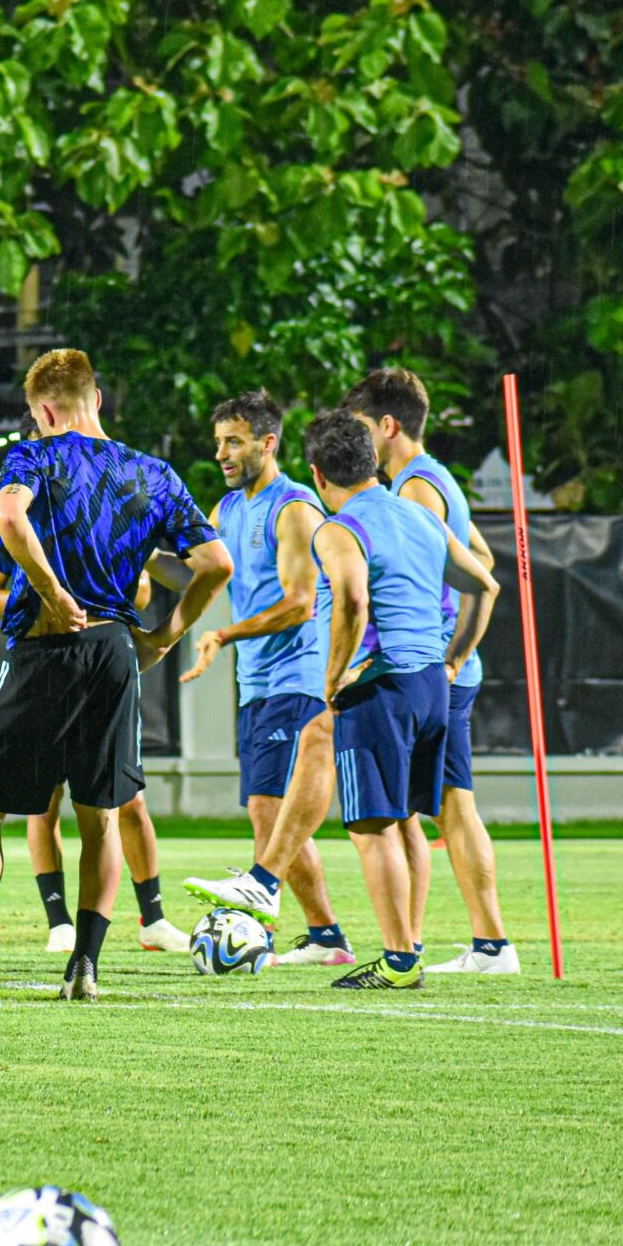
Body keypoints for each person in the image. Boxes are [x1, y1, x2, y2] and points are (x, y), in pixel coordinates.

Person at [0, 349, 230, 1002]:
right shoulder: (153, 473)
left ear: (44, 411)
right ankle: (85, 966)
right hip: (113, 650)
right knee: (99, 814)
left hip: (49, 645)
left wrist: (51, 589)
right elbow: (213, 564)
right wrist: (166, 635)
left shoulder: (35, 458)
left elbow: (10, 518)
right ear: (97, 399)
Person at [289, 411, 498, 990]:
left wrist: (334, 677)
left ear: (316, 473)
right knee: (405, 819)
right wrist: (453, 658)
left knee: (372, 828)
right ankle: (409, 947)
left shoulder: (338, 527)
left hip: (381, 689)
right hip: (434, 685)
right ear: (374, 461)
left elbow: (353, 599)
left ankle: (400, 960)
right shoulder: (420, 515)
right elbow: (486, 584)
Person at [175, 390, 354, 966]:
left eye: (235, 441)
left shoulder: (295, 506)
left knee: (265, 808)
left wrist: (224, 635)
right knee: (266, 811)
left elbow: (301, 604)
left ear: (267, 443)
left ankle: (264, 925)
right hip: (257, 681)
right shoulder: (227, 510)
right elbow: (192, 566)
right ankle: (325, 936)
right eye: (219, 442)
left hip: (298, 674)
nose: (223, 453)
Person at [347, 368, 516, 975]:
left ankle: (456, 945)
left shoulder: (415, 490)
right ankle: (473, 943)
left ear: (387, 427)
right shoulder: (433, 476)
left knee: (429, 810)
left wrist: (451, 654)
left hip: (426, 670)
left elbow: (468, 577)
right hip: (439, 668)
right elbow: (484, 560)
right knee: (445, 807)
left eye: (362, 428)